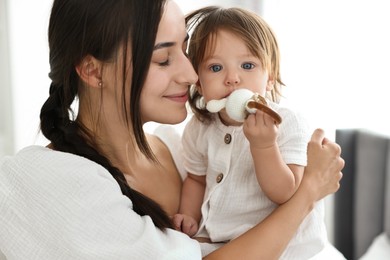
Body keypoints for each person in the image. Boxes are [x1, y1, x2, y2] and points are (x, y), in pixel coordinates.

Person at [0, 0, 344, 259]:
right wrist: (308, 191)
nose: (192, 76)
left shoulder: (175, 148)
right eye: (163, 59)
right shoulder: (53, 183)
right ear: (92, 71)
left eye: (184, 50)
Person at [173, 6, 343, 259]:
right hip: (224, 240)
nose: (233, 78)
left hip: (284, 245)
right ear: (199, 81)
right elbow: (196, 179)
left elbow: (286, 192)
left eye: (248, 65)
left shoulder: (286, 123)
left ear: (270, 76)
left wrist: (264, 146)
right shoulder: (200, 128)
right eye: (216, 68)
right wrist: (189, 215)